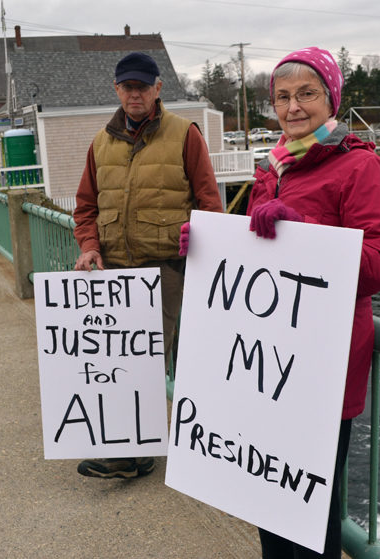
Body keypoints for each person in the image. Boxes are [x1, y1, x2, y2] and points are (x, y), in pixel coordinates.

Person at [246, 47, 380, 558]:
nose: (293, 107)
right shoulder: (272, 166)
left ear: (331, 98)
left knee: (312, 513)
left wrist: (302, 231)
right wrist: (206, 247)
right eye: (283, 97)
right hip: (268, 362)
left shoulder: (360, 166)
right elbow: (256, 254)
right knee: (269, 499)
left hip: (322, 365)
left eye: (307, 94)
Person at [72, 52, 223, 479]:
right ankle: (135, 454)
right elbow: (85, 207)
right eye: (127, 86)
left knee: (151, 363)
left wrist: (205, 256)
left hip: (167, 270)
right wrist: (89, 246)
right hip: (115, 272)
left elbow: (211, 205)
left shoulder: (184, 135)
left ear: (158, 88)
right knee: (119, 363)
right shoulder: (100, 142)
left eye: (142, 86)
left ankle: (129, 455)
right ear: (117, 90)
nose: (134, 93)